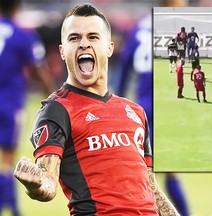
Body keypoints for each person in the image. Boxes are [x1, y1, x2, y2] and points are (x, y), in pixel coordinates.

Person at [13, 4, 180, 216]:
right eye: (74, 38)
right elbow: (48, 183)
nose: (84, 44)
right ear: (63, 51)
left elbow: (150, 187)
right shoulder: (56, 110)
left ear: (109, 47)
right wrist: (36, 185)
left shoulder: (135, 111)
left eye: (93, 37)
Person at [117, 5, 190, 216]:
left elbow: (124, 69)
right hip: (166, 107)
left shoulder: (138, 28)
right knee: (169, 172)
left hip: (141, 110)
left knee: (145, 173)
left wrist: (117, 103)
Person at [0, 0, 53, 215]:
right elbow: (39, 69)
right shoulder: (22, 35)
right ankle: (13, 210)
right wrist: (53, 99)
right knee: (7, 160)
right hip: (10, 104)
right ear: (17, 8)